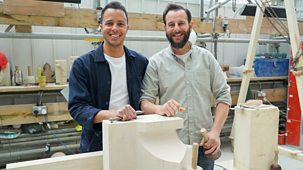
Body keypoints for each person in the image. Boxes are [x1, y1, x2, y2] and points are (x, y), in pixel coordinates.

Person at [140, 3, 231, 170]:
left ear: (191, 25)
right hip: (171, 146)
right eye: (171, 25)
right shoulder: (155, 63)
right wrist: (160, 108)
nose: (176, 29)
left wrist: (216, 132)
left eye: (181, 23)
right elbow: (145, 102)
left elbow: (224, 95)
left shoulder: (207, 59)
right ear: (164, 28)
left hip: (205, 146)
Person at [68, 1, 148, 153]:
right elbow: (77, 108)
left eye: (120, 24)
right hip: (97, 143)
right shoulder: (83, 65)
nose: (115, 29)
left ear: (127, 28)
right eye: (109, 23)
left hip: (133, 140)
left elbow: (147, 97)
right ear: (101, 26)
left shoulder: (140, 63)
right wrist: (113, 114)